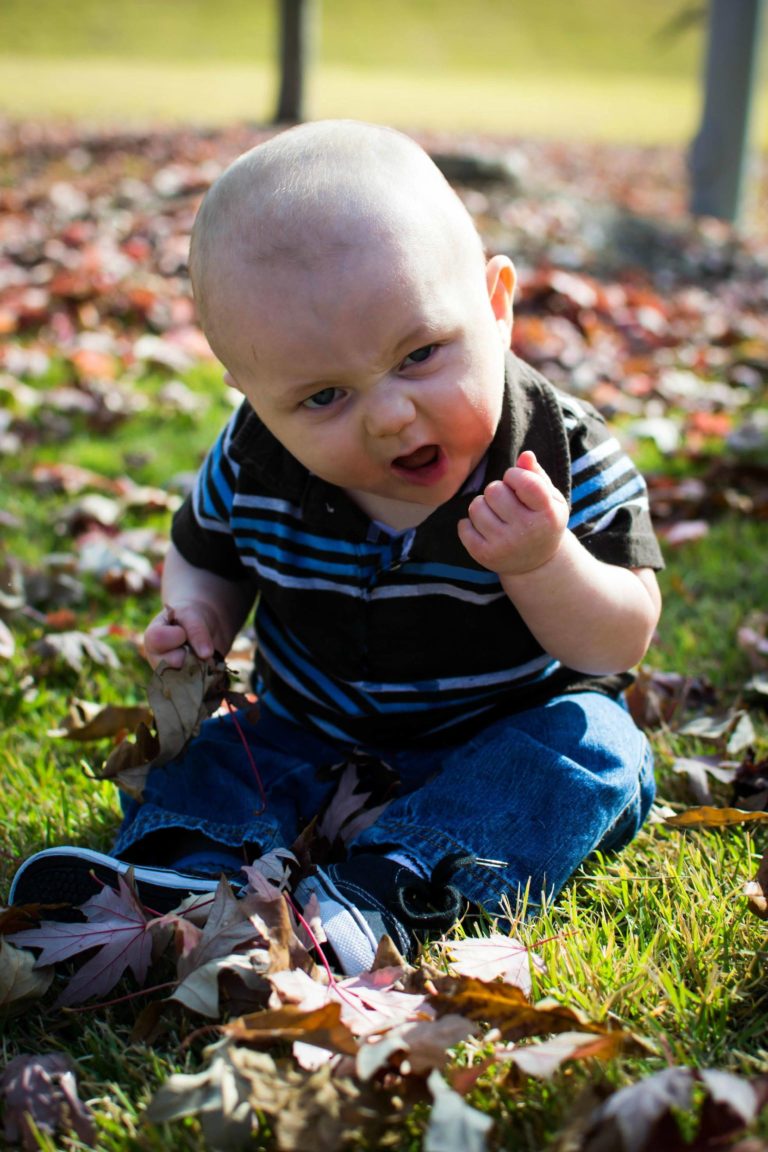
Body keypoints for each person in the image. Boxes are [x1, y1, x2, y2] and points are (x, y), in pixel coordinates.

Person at [10, 120, 663, 975]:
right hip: (308, 729)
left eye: (420, 354)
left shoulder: (567, 456)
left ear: (497, 306)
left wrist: (546, 564)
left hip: (493, 740)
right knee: (219, 753)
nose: (390, 414)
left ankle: (387, 894)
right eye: (323, 397)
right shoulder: (254, 460)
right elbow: (205, 552)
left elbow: (621, 639)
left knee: (599, 749)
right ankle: (184, 880)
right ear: (253, 396)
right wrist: (197, 613)